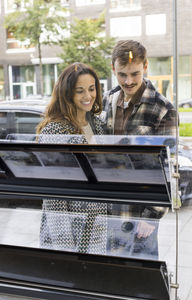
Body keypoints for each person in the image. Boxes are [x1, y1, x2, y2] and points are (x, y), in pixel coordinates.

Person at [102, 40, 177, 259]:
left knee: (141, 278)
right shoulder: (106, 101)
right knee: (108, 274)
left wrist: (153, 213)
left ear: (145, 66)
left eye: (135, 74)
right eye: (122, 74)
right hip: (106, 204)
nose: (128, 81)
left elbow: (168, 163)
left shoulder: (163, 108)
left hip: (139, 212)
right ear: (113, 69)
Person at [36, 62, 108, 254]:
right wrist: (64, 245)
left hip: (97, 227)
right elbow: (53, 193)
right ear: (67, 93)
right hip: (67, 231)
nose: (88, 96)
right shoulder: (54, 130)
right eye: (80, 91)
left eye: (92, 89)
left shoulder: (98, 125)